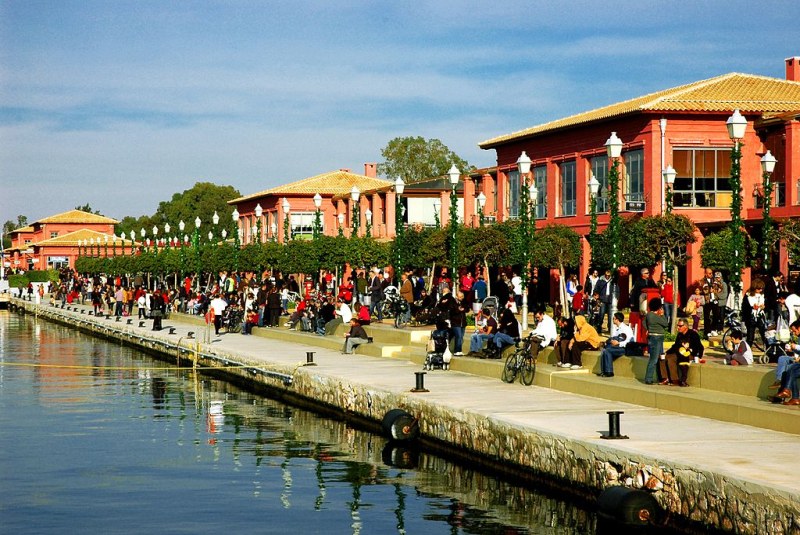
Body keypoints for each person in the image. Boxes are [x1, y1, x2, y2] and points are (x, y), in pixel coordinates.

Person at [659, 319, 704, 386]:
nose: (678, 327)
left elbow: (700, 347)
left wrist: (698, 356)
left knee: (671, 359)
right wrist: (667, 352)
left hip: (689, 354)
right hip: (679, 353)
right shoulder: (680, 334)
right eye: (677, 326)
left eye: (680, 326)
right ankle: (665, 378)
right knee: (662, 358)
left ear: (685, 326)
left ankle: (675, 380)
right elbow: (675, 346)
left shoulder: (693, 334)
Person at [597, 312, 633, 377]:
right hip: (615, 347)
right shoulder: (616, 328)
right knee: (604, 350)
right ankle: (603, 371)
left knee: (607, 351)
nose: (613, 320)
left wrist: (619, 343)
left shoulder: (626, 328)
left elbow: (630, 341)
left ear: (617, 319)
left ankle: (609, 372)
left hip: (623, 348)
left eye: (614, 318)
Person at [643, 297, 669, 384]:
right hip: (657, 338)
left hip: (653, 337)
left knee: (660, 358)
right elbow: (665, 323)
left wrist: (648, 329)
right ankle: (648, 378)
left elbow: (643, 323)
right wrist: (662, 315)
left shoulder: (649, 315)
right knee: (654, 359)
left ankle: (661, 377)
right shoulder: (655, 316)